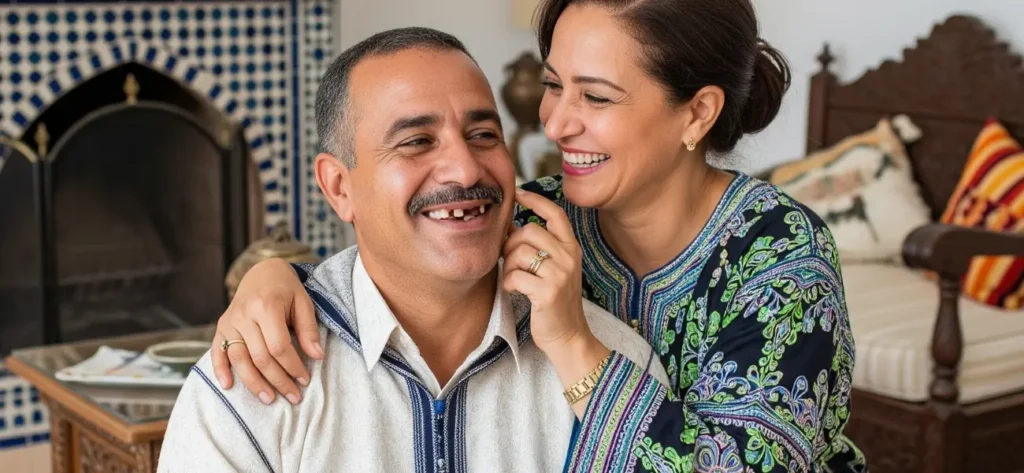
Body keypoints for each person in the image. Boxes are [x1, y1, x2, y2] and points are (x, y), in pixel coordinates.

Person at [212, 0, 868, 471]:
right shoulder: (540, 214)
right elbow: (401, 253)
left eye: (597, 98)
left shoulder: (782, 258)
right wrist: (273, 278)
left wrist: (573, 344)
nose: (554, 123)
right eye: (554, 86)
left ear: (696, 112)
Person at [157, 27, 668, 473]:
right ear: (338, 187)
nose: (466, 170)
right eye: (416, 141)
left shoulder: (613, 363)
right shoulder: (253, 377)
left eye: (483, 134)